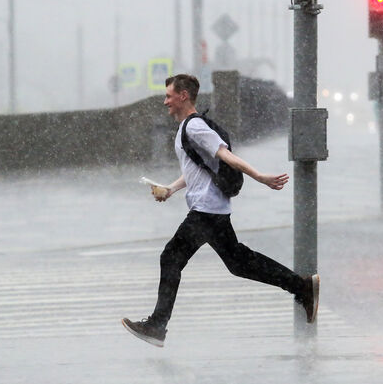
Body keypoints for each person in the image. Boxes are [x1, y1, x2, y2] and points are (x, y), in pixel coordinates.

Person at [121, 74, 319, 348]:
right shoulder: (184, 129)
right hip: (210, 208)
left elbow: (225, 155)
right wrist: (170, 189)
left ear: (183, 96)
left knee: (171, 257)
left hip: (206, 209)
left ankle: (157, 325)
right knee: (238, 262)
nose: (165, 101)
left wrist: (259, 176)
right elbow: (196, 170)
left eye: (169, 95)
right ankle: (301, 286)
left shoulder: (195, 127)